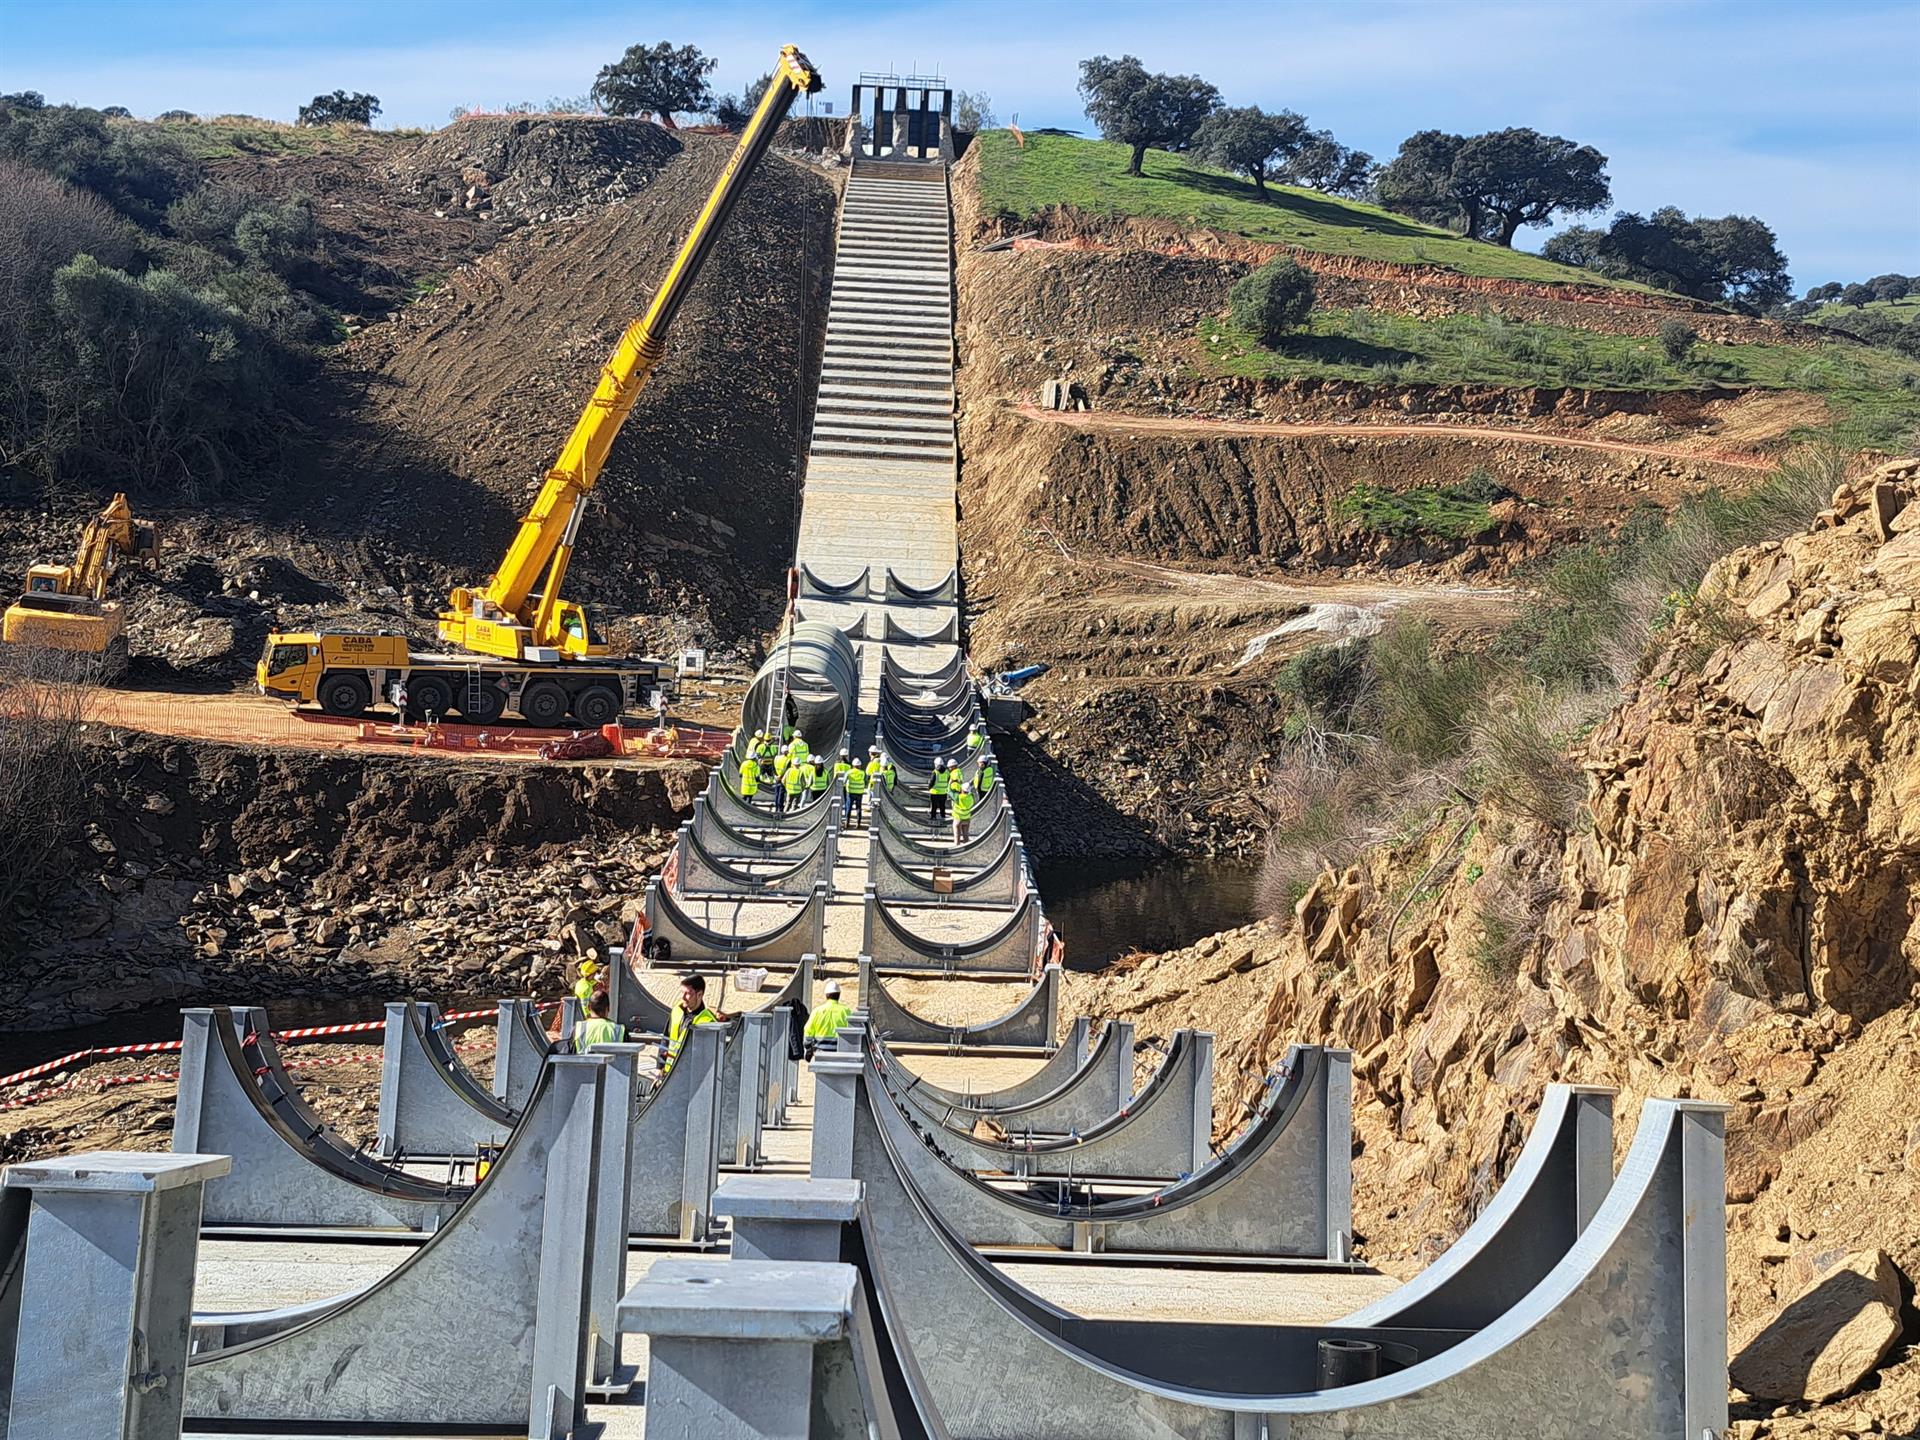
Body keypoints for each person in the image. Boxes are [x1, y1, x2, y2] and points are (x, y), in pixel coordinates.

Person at [665, 973, 720, 1073]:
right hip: (670, 1073)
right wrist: (659, 1068)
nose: (683, 997)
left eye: (687, 993)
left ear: (699, 994)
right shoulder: (677, 1011)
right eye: (682, 992)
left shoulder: (708, 1021)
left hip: (691, 1076)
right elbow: (666, 1039)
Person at [803, 981, 852, 1056]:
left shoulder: (817, 1011)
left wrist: (808, 1048)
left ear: (826, 995)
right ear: (839, 995)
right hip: (840, 1053)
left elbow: (808, 1031)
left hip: (820, 1053)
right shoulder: (846, 1011)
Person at [844, 750, 869, 824]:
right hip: (860, 792)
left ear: (853, 765)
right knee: (858, 807)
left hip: (850, 791)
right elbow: (866, 781)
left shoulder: (849, 772)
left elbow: (844, 781)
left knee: (849, 807)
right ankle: (858, 822)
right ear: (860, 766)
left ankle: (847, 821)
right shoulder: (862, 773)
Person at [951, 778, 976, 843]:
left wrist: (951, 781)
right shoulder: (971, 797)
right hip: (967, 818)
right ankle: (966, 846)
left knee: (957, 836)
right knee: (966, 835)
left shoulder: (958, 797)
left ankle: (957, 848)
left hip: (958, 819)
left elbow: (949, 791)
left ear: (962, 789)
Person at [928, 757, 950, 822]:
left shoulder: (935, 772)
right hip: (943, 792)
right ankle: (943, 816)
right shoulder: (947, 772)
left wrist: (929, 787)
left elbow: (932, 781)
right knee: (942, 806)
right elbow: (949, 780)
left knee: (934, 806)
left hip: (934, 792)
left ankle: (933, 816)